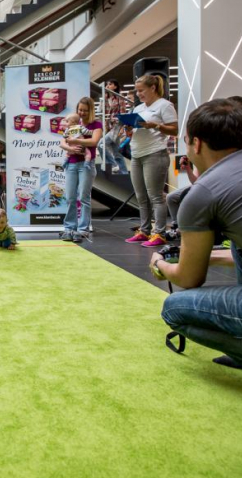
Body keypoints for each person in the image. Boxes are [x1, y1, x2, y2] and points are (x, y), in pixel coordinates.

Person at [151, 99, 242, 370]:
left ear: (197, 144)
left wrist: (161, 265)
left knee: (175, 309)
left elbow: (189, 278)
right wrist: (207, 257)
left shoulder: (202, 193)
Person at [125, 75, 178, 247]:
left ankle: (159, 233)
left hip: (155, 153)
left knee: (155, 196)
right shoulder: (138, 108)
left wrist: (154, 125)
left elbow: (174, 130)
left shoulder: (164, 105)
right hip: (137, 154)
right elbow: (135, 131)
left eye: (141, 90)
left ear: (153, 88)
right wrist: (129, 131)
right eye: (137, 91)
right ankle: (144, 231)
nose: (139, 94)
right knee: (141, 197)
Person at [59, 97, 102, 243]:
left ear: (91, 111)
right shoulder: (73, 122)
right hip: (71, 163)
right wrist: (70, 147)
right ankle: (69, 227)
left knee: (84, 197)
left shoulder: (96, 124)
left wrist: (75, 141)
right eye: (80, 109)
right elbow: (62, 141)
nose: (82, 112)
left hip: (86, 164)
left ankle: (82, 229)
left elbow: (94, 141)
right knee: (71, 197)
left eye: (85, 110)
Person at [102, 79, 129, 174]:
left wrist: (122, 127)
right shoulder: (107, 98)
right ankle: (124, 172)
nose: (108, 86)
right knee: (116, 152)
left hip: (117, 126)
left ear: (115, 86)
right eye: (107, 84)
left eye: (110, 84)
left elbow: (123, 112)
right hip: (110, 126)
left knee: (101, 144)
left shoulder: (119, 97)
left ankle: (113, 165)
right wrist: (105, 96)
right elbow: (103, 111)